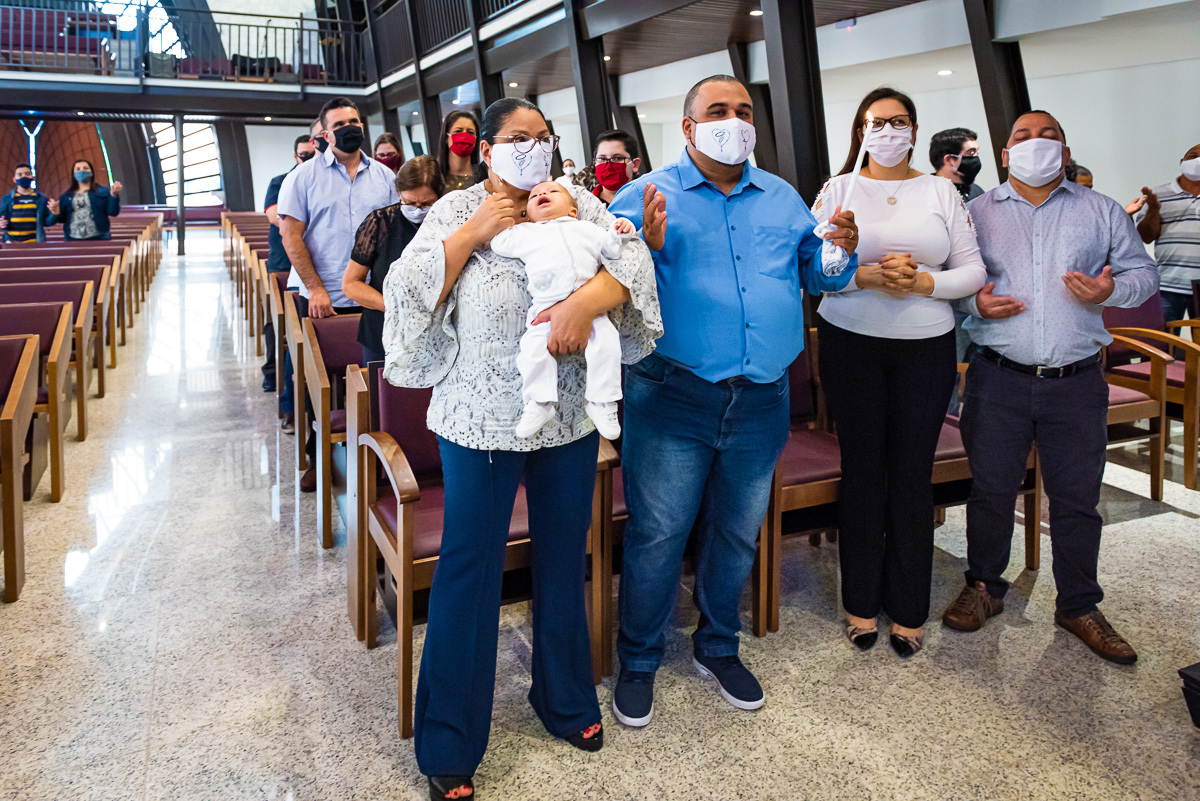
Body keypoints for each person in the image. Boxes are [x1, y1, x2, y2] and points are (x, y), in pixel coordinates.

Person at [381, 97, 660, 801]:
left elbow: (631, 258)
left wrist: (584, 304)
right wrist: (474, 230)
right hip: (478, 420)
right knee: (469, 570)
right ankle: (449, 736)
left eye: (542, 138)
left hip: (565, 419)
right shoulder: (454, 210)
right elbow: (407, 296)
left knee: (564, 555)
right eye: (516, 138)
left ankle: (564, 698)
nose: (532, 150)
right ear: (486, 148)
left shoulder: (573, 198)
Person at [607, 75, 858, 726]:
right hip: (673, 392)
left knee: (737, 531)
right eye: (717, 110)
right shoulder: (644, 195)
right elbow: (608, 290)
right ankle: (637, 659)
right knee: (658, 534)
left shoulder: (780, 198)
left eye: (743, 110)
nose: (734, 120)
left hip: (761, 396)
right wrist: (650, 255)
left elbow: (816, 272)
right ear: (688, 127)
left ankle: (717, 645)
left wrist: (841, 254)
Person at [942, 110, 1159, 665]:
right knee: (990, 490)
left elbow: (1143, 275)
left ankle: (1079, 604)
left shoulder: (1102, 210)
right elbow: (951, 283)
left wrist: (1108, 291)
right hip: (998, 376)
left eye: (1049, 136)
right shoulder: (973, 215)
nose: (1036, 144)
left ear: (1064, 152)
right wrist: (974, 302)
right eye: (1022, 137)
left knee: (1078, 499)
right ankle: (984, 586)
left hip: (1077, 381)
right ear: (1005, 154)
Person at [813, 88, 987, 658]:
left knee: (912, 473)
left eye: (900, 121)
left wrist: (924, 284)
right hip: (851, 341)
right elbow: (815, 269)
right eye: (877, 121)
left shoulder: (940, 189)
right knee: (863, 470)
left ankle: (909, 605)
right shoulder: (839, 188)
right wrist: (862, 272)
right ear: (860, 130)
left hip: (924, 346)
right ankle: (860, 600)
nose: (889, 130)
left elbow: (973, 271)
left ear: (914, 129)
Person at [277, 96, 399, 492]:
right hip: (321, 293)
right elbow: (291, 235)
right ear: (324, 135)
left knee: (372, 377)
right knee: (318, 382)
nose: (351, 127)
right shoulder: (304, 177)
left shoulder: (383, 177)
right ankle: (319, 455)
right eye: (341, 123)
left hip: (368, 294)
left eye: (355, 120)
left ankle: (377, 454)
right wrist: (314, 288)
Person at [490, 180, 635, 439]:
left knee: (608, 345)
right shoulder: (526, 233)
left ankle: (602, 402)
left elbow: (611, 252)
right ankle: (539, 403)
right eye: (534, 196)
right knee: (532, 350)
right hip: (544, 308)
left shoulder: (587, 230)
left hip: (590, 308)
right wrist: (510, 219)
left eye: (553, 191)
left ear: (572, 211)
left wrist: (620, 234)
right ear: (529, 214)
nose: (542, 193)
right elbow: (499, 243)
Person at [341, 155, 442, 365]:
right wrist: (395, 306)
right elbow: (351, 284)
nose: (417, 209)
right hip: (383, 328)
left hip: (436, 332)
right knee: (383, 395)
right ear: (398, 193)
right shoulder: (379, 223)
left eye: (425, 204)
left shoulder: (447, 222)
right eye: (410, 202)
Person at [261, 134, 317, 410]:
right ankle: (273, 377)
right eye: (303, 154)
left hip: (316, 265)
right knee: (280, 325)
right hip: (284, 263)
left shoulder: (322, 180)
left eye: (312, 152)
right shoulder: (281, 182)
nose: (308, 157)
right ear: (296, 157)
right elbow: (277, 218)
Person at [1129, 143, 1200, 324]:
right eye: (1193, 156)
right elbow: (1145, 237)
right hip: (1168, 284)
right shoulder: (1159, 195)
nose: (1198, 161)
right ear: (1182, 162)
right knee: (1161, 344)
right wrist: (1153, 210)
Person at [57, 159, 122, 240]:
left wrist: (114, 195)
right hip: (73, 238)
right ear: (73, 174)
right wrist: (55, 212)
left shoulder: (103, 191)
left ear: (91, 173)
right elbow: (62, 218)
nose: (81, 171)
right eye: (78, 169)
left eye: (85, 168)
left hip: (99, 237)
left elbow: (113, 212)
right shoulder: (66, 196)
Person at [0, 163, 59, 243]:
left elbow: (47, 222)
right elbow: (2, 220)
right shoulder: (6, 199)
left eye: (27, 174)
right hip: (12, 243)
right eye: (20, 174)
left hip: (34, 243)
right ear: (14, 179)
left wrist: (54, 213)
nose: (23, 176)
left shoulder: (41, 199)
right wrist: (2, 224)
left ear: (33, 178)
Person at [930, 127, 984, 201]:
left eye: (977, 152)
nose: (976, 157)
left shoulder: (976, 191)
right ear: (949, 160)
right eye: (971, 153)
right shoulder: (931, 197)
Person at [590, 129, 642, 206]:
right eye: (602, 159)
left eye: (617, 158)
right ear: (595, 163)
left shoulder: (649, 202)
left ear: (635, 164)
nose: (608, 166)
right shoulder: (583, 205)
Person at [436, 109, 480, 192]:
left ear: (476, 139)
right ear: (446, 137)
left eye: (470, 132)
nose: (464, 136)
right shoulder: (435, 177)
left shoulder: (484, 175)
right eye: (458, 131)